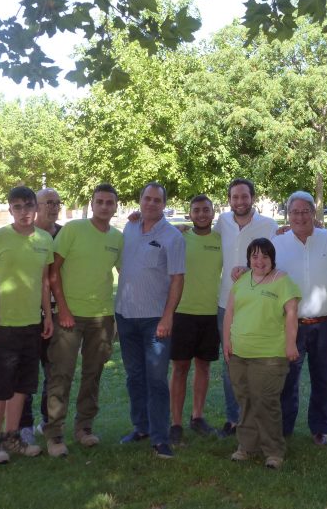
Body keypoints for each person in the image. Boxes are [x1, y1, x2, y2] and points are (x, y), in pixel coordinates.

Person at [44, 183, 122, 457]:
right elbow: (53, 273)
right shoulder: (74, 230)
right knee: (61, 374)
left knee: (93, 375)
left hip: (102, 318)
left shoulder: (118, 237)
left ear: (115, 206)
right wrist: (62, 310)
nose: (104, 206)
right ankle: (54, 433)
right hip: (69, 316)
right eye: (99, 201)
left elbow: (126, 272)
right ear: (92, 204)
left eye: (109, 202)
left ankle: (84, 428)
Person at [272, 191, 327, 446]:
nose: (300, 216)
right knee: (287, 378)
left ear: (314, 214)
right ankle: (284, 427)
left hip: (325, 322)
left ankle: (320, 428)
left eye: (305, 211)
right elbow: (260, 271)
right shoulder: (277, 242)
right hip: (291, 324)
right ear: (288, 215)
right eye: (295, 212)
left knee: (325, 377)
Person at [115, 182, 185, 459]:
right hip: (125, 315)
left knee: (156, 380)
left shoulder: (172, 237)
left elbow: (178, 279)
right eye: (147, 198)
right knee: (134, 377)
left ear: (164, 204)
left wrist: (168, 315)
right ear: (140, 200)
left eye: (157, 200)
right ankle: (141, 427)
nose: (151, 203)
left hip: (156, 319)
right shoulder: (130, 227)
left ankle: (160, 436)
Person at [0, 186, 53, 463]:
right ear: (10, 209)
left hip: (31, 325)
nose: (25, 212)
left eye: (29, 205)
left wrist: (47, 316)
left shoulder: (45, 239)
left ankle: (12, 437)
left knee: (22, 386)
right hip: (2, 325)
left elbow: (45, 282)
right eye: (18, 207)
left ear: (36, 207)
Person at [223, 238, 301, 469]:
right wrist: (226, 341)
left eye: (265, 256)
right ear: (249, 259)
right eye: (255, 256)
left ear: (272, 259)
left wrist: (291, 344)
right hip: (239, 353)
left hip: (270, 355)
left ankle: (274, 451)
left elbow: (291, 312)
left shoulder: (282, 280)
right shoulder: (242, 280)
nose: (259, 261)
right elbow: (229, 312)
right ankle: (247, 446)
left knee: (265, 402)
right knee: (245, 400)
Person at [213, 179, 279, 437]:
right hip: (225, 304)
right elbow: (201, 233)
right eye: (235, 197)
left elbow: (276, 261)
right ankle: (234, 418)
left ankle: (260, 418)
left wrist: (250, 270)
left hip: (258, 304)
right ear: (229, 199)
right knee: (230, 362)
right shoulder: (222, 223)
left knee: (259, 363)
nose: (240, 201)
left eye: (244, 196)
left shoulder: (269, 226)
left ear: (253, 197)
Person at [169, 195, 221, 445]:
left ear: (213, 213)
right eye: (196, 210)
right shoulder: (179, 237)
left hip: (210, 313)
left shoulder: (221, 240)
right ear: (189, 214)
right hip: (182, 313)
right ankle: (176, 423)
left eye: (206, 210)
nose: (201, 214)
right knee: (180, 368)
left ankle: (197, 417)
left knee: (204, 366)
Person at [19, 187, 63, 444]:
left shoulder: (66, 234)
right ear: (35, 206)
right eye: (48, 202)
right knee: (25, 373)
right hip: (25, 315)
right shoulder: (25, 235)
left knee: (53, 371)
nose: (53, 207)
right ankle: (23, 426)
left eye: (57, 202)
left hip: (56, 315)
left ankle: (47, 422)